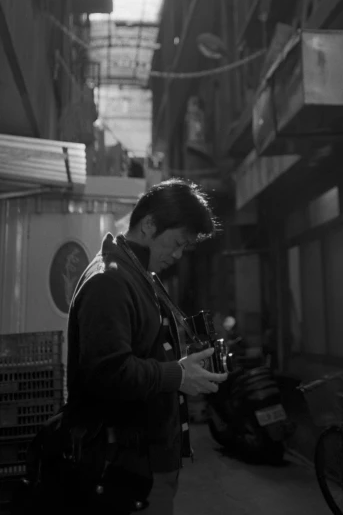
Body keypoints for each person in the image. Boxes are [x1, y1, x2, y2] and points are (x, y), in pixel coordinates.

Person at [66, 178, 228, 514]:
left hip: (145, 463)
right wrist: (178, 376)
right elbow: (108, 374)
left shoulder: (138, 274)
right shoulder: (110, 280)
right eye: (177, 242)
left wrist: (185, 367)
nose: (179, 255)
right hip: (124, 469)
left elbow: (144, 354)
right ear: (150, 224)